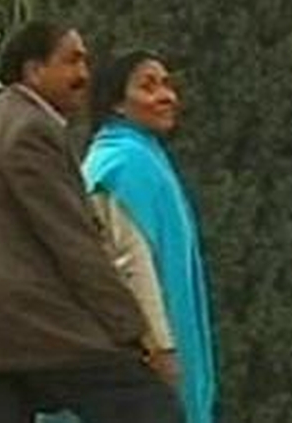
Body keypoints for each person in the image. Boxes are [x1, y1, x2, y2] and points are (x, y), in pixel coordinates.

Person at [0, 21, 185, 422]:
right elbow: (74, 244)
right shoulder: (31, 131)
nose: (84, 75)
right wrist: (136, 334)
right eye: (72, 61)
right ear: (33, 70)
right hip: (34, 324)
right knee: (149, 407)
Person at [82, 50, 217, 423]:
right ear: (117, 105)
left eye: (167, 84)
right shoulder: (120, 166)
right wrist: (161, 348)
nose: (166, 96)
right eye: (148, 86)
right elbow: (130, 262)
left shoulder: (146, 158)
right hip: (139, 358)